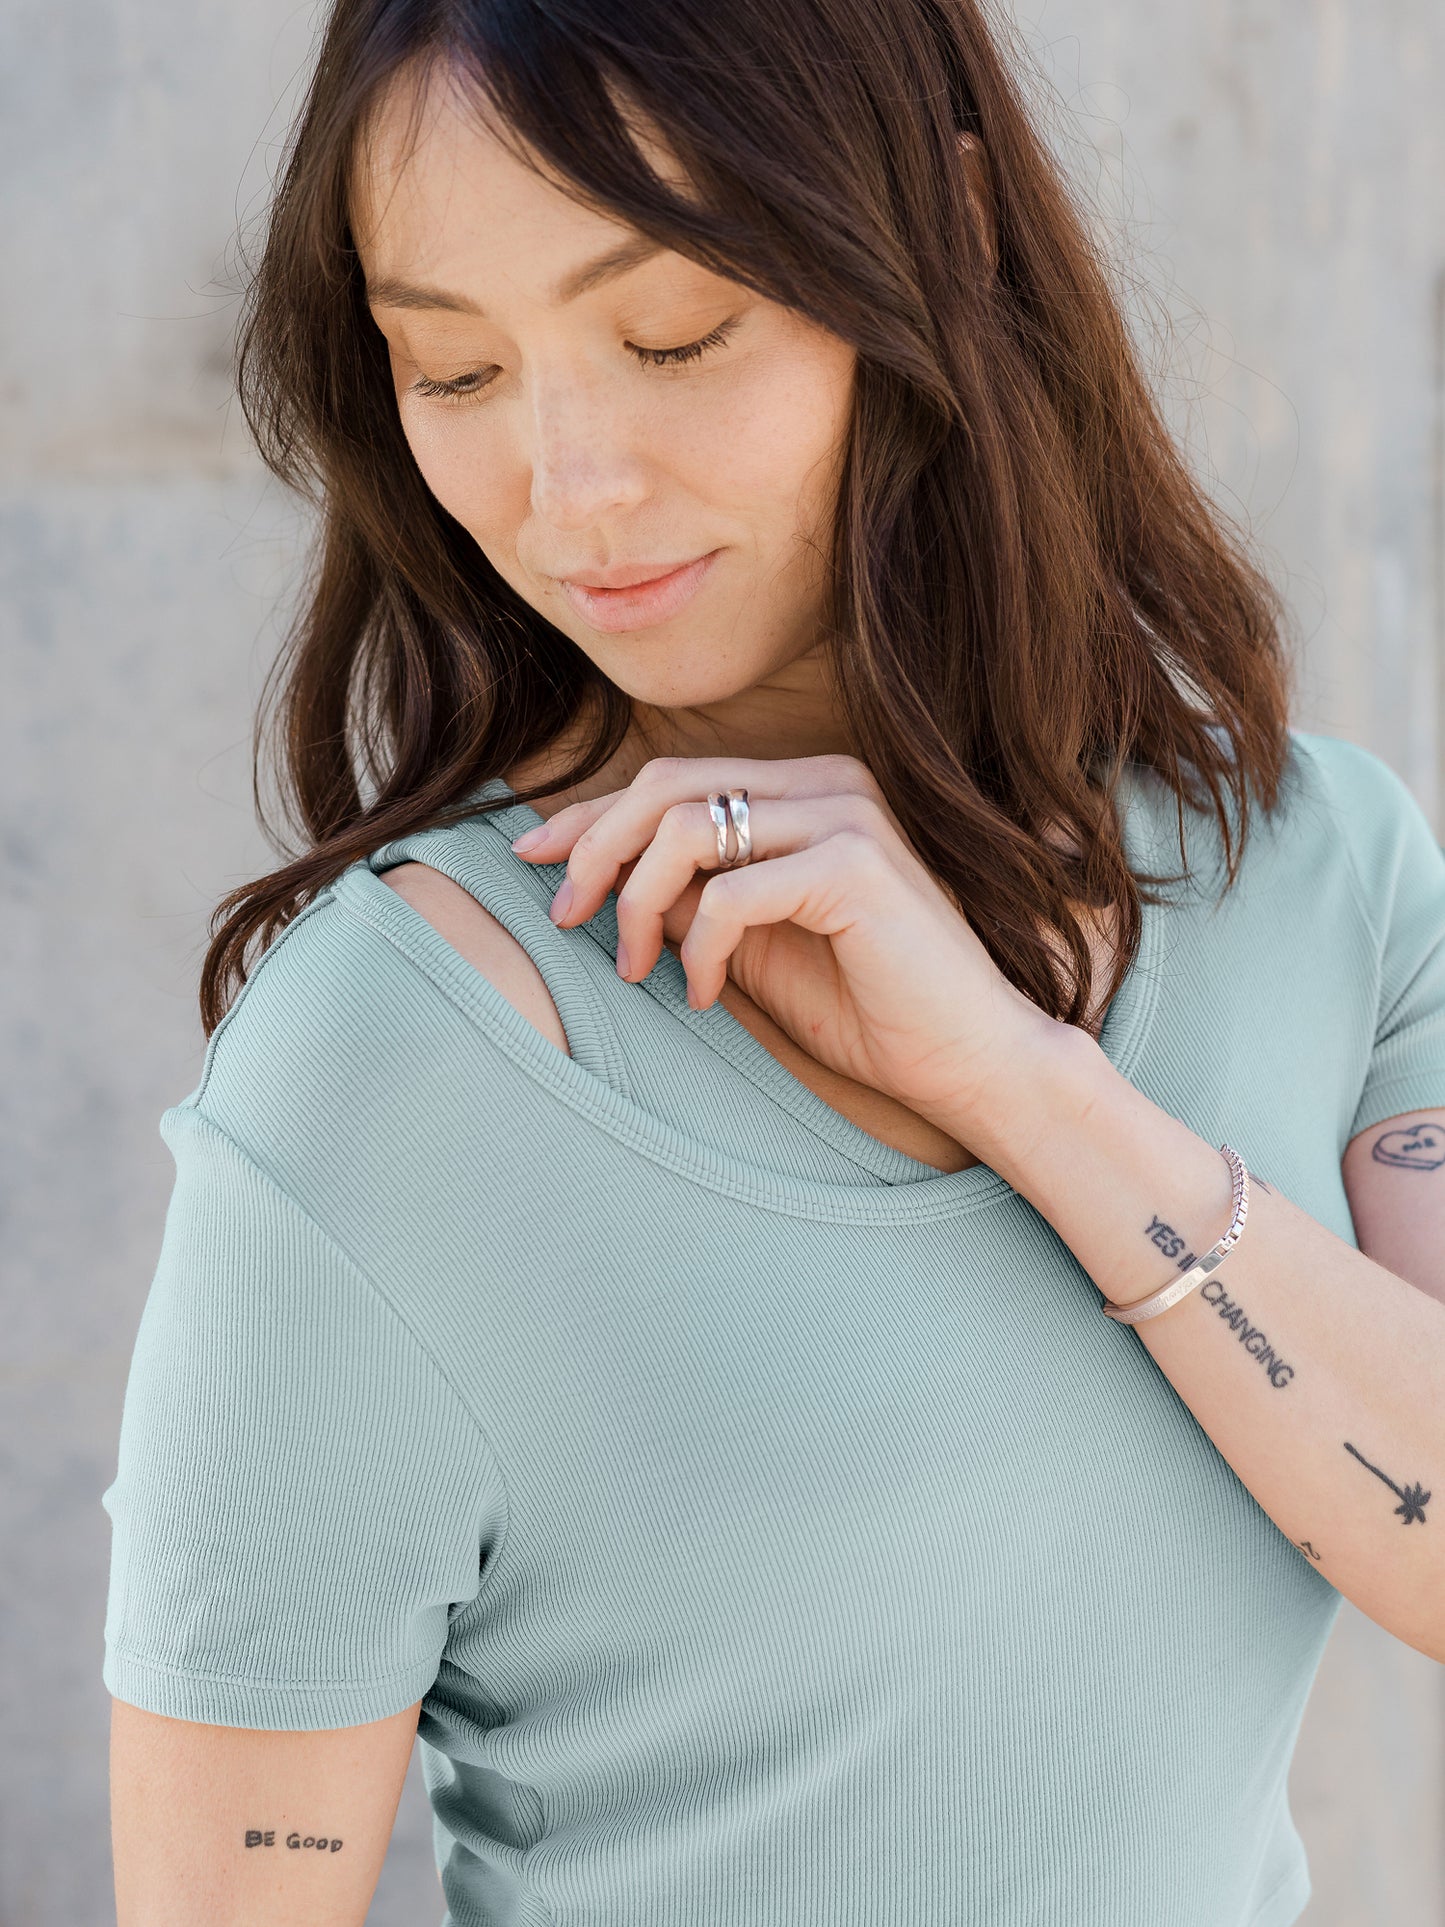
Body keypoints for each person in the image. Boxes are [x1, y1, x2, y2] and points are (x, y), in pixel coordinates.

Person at [102, 0, 1445, 1921]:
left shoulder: (1318, 871)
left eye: (670, 336)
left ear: (943, 231)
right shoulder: (400, 1058)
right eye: (452, 367)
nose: (567, 487)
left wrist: (1020, 1084)